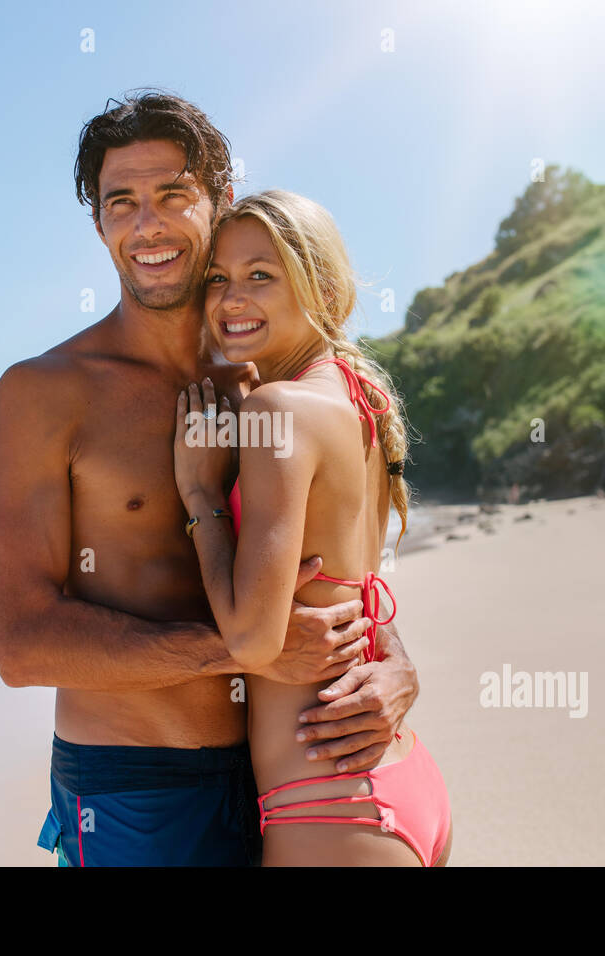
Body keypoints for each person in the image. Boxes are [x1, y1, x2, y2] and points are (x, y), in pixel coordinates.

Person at [0, 91, 421, 866]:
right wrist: (241, 652)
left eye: (173, 194)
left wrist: (396, 664)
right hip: (138, 787)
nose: (147, 224)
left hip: (290, 770)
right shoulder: (44, 394)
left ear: (218, 202)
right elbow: (22, 645)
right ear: (100, 225)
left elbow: (329, 557)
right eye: (122, 202)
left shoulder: (268, 380)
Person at [172, 190, 452, 866]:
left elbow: (250, 636)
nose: (231, 298)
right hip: (400, 779)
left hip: (327, 807)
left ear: (321, 286)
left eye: (260, 276)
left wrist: (200, 493)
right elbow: (354, 579)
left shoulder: (279, 409)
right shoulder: (361, 396)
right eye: (219, 278)